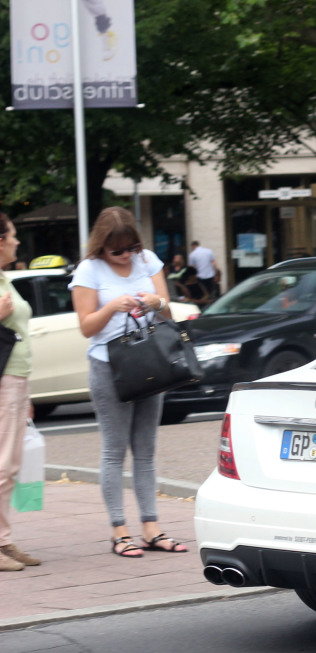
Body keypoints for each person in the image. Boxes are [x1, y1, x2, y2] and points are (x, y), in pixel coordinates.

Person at [70, 207, 189, 558]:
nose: (125, 256)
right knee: (113, 449)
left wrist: (157, 301)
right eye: (116, 251)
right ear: (101, 247)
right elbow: (86, 327)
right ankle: (119, 530)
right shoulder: (89, 270)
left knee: (147, 450)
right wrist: (112, 308)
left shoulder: (147, 260)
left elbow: (166, 314)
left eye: (130, 248)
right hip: (109, 366)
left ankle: (151, 527)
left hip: (150, 362)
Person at [0, 213, 39, 571]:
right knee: (1, 464)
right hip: (4, 379)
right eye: (12, 237)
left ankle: (5, 541)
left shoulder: (4, 277)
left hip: (16, 378)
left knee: (9, 464)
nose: (16, 242)